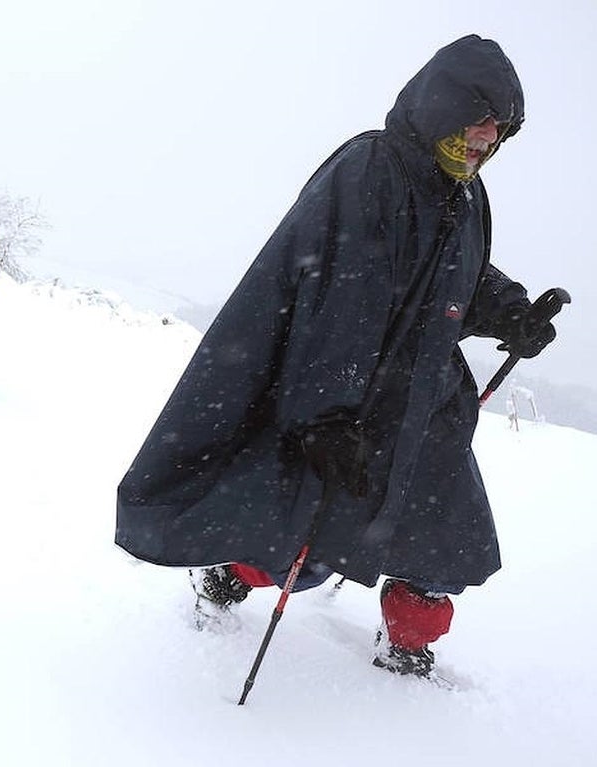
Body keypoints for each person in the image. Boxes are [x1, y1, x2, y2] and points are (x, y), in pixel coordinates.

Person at [114, 35, 561, 679]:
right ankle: (226, 575)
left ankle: (408, 640)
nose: (485, 138)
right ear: (441, 106)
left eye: (500, 127)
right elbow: (335, 296)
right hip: (346, 400)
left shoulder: (464, 193)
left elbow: (455, 276)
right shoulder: (371, 170)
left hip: (427, 403)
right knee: (298, 523)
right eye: (477, 118)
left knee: (443, 535)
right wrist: (323, 416)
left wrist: (511, 311)